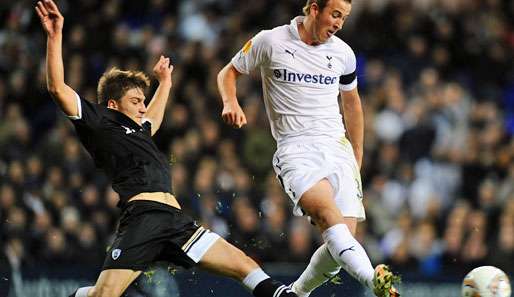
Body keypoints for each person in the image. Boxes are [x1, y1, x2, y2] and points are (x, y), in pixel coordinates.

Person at [35, 1, 299, 297]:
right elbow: (57, 88)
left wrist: (166, 82)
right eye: (135, 101)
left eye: (142, 101)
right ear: (113, 105)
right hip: (142, 217)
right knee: (103, 295)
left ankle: (281, 295)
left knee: (242, 263)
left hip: (175, 221)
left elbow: (153, 118)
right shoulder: (100, 122)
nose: (142, 107)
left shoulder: (140, 129)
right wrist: (55, 36)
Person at [217, 0, 400, 296]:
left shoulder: (343, 53)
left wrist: (357, 155)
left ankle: (297, 293)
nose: (340, 23)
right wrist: (230, 101)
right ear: (315, 9)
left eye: (344, 17)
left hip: (338, 149)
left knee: (341, 245)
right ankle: (375, 281)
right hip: (296, 150)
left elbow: (352, 104)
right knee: (330, 219)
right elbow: (227, 72)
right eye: (336, 14)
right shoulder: (270, 41)